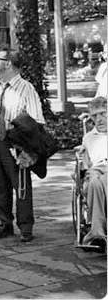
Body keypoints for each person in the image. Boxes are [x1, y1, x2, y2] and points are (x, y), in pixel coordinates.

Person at [0, 46, 45, 243]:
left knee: (20, 185)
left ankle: (26, 227)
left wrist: (29, 151)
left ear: (8, 64)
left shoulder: (26, 89)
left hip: (17, 144)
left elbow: (36, 122)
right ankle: (4, 224)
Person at [80, 96, 107, 247]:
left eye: (103, 113)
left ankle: (98, 233)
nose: (99, 119)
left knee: (101, 181)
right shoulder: (88, 138)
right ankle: (97, 233)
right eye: (95, 116)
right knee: (95, 182)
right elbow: (84, 167)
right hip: (95, 171)